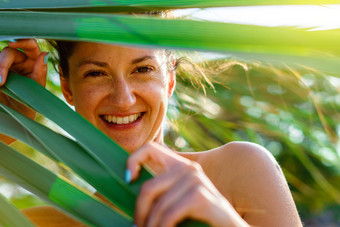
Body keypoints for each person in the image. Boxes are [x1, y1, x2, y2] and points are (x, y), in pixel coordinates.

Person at [0, 38, 302, 227]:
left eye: (142, 70)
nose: (123, 99)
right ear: (67, 87)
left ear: (169, 80)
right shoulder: (44, 222)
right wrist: (5, 126)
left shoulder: (239, 169)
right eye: (96, 73)